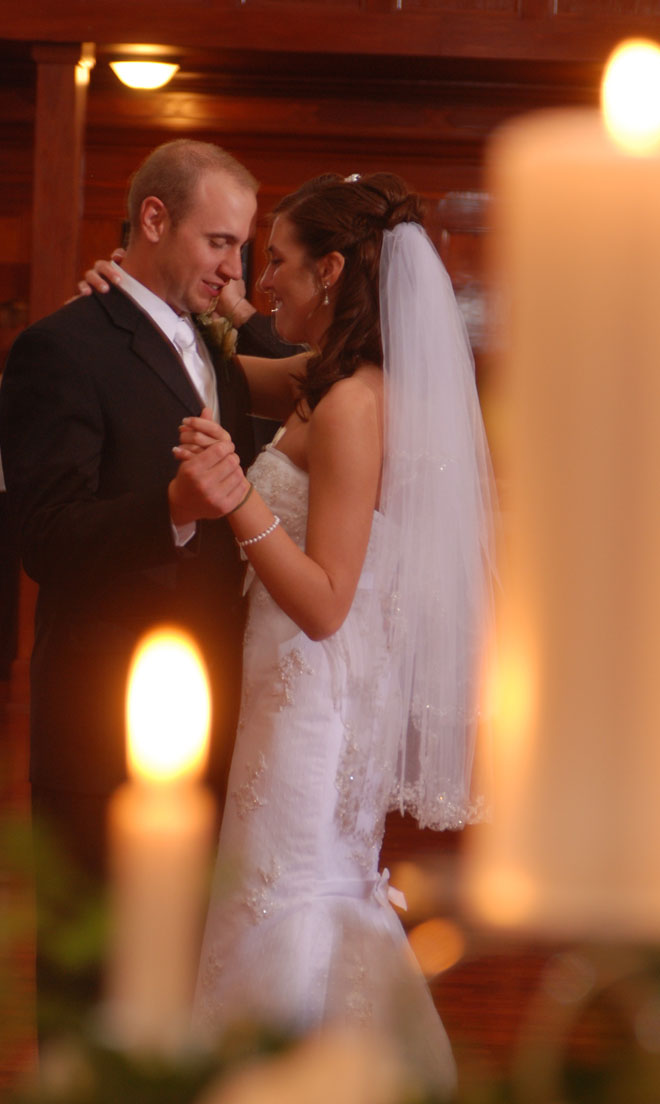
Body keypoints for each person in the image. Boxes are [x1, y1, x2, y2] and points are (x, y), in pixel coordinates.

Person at [173, 172, 496, 1095]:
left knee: (290, 890)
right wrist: (178, 301)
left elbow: (324, 603)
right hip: (296, 690)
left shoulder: (356, 404)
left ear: (334, 270)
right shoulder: (332, 377)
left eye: (277, 263)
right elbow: (229, 368)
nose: (264, 281)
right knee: (298, 886)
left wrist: (236, 501)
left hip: (314, 700)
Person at [0, 138, 304, 1035]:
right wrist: (169, 506)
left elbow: (301, 358)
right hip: (101, 725)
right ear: (153, 218)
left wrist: (233, 299)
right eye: (219, 243)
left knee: (171, 989)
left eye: (245, 248)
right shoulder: (59, 347)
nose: (233, 267)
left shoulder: (206, 341)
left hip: (206, 715)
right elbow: (44, 538)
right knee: (89, 996)